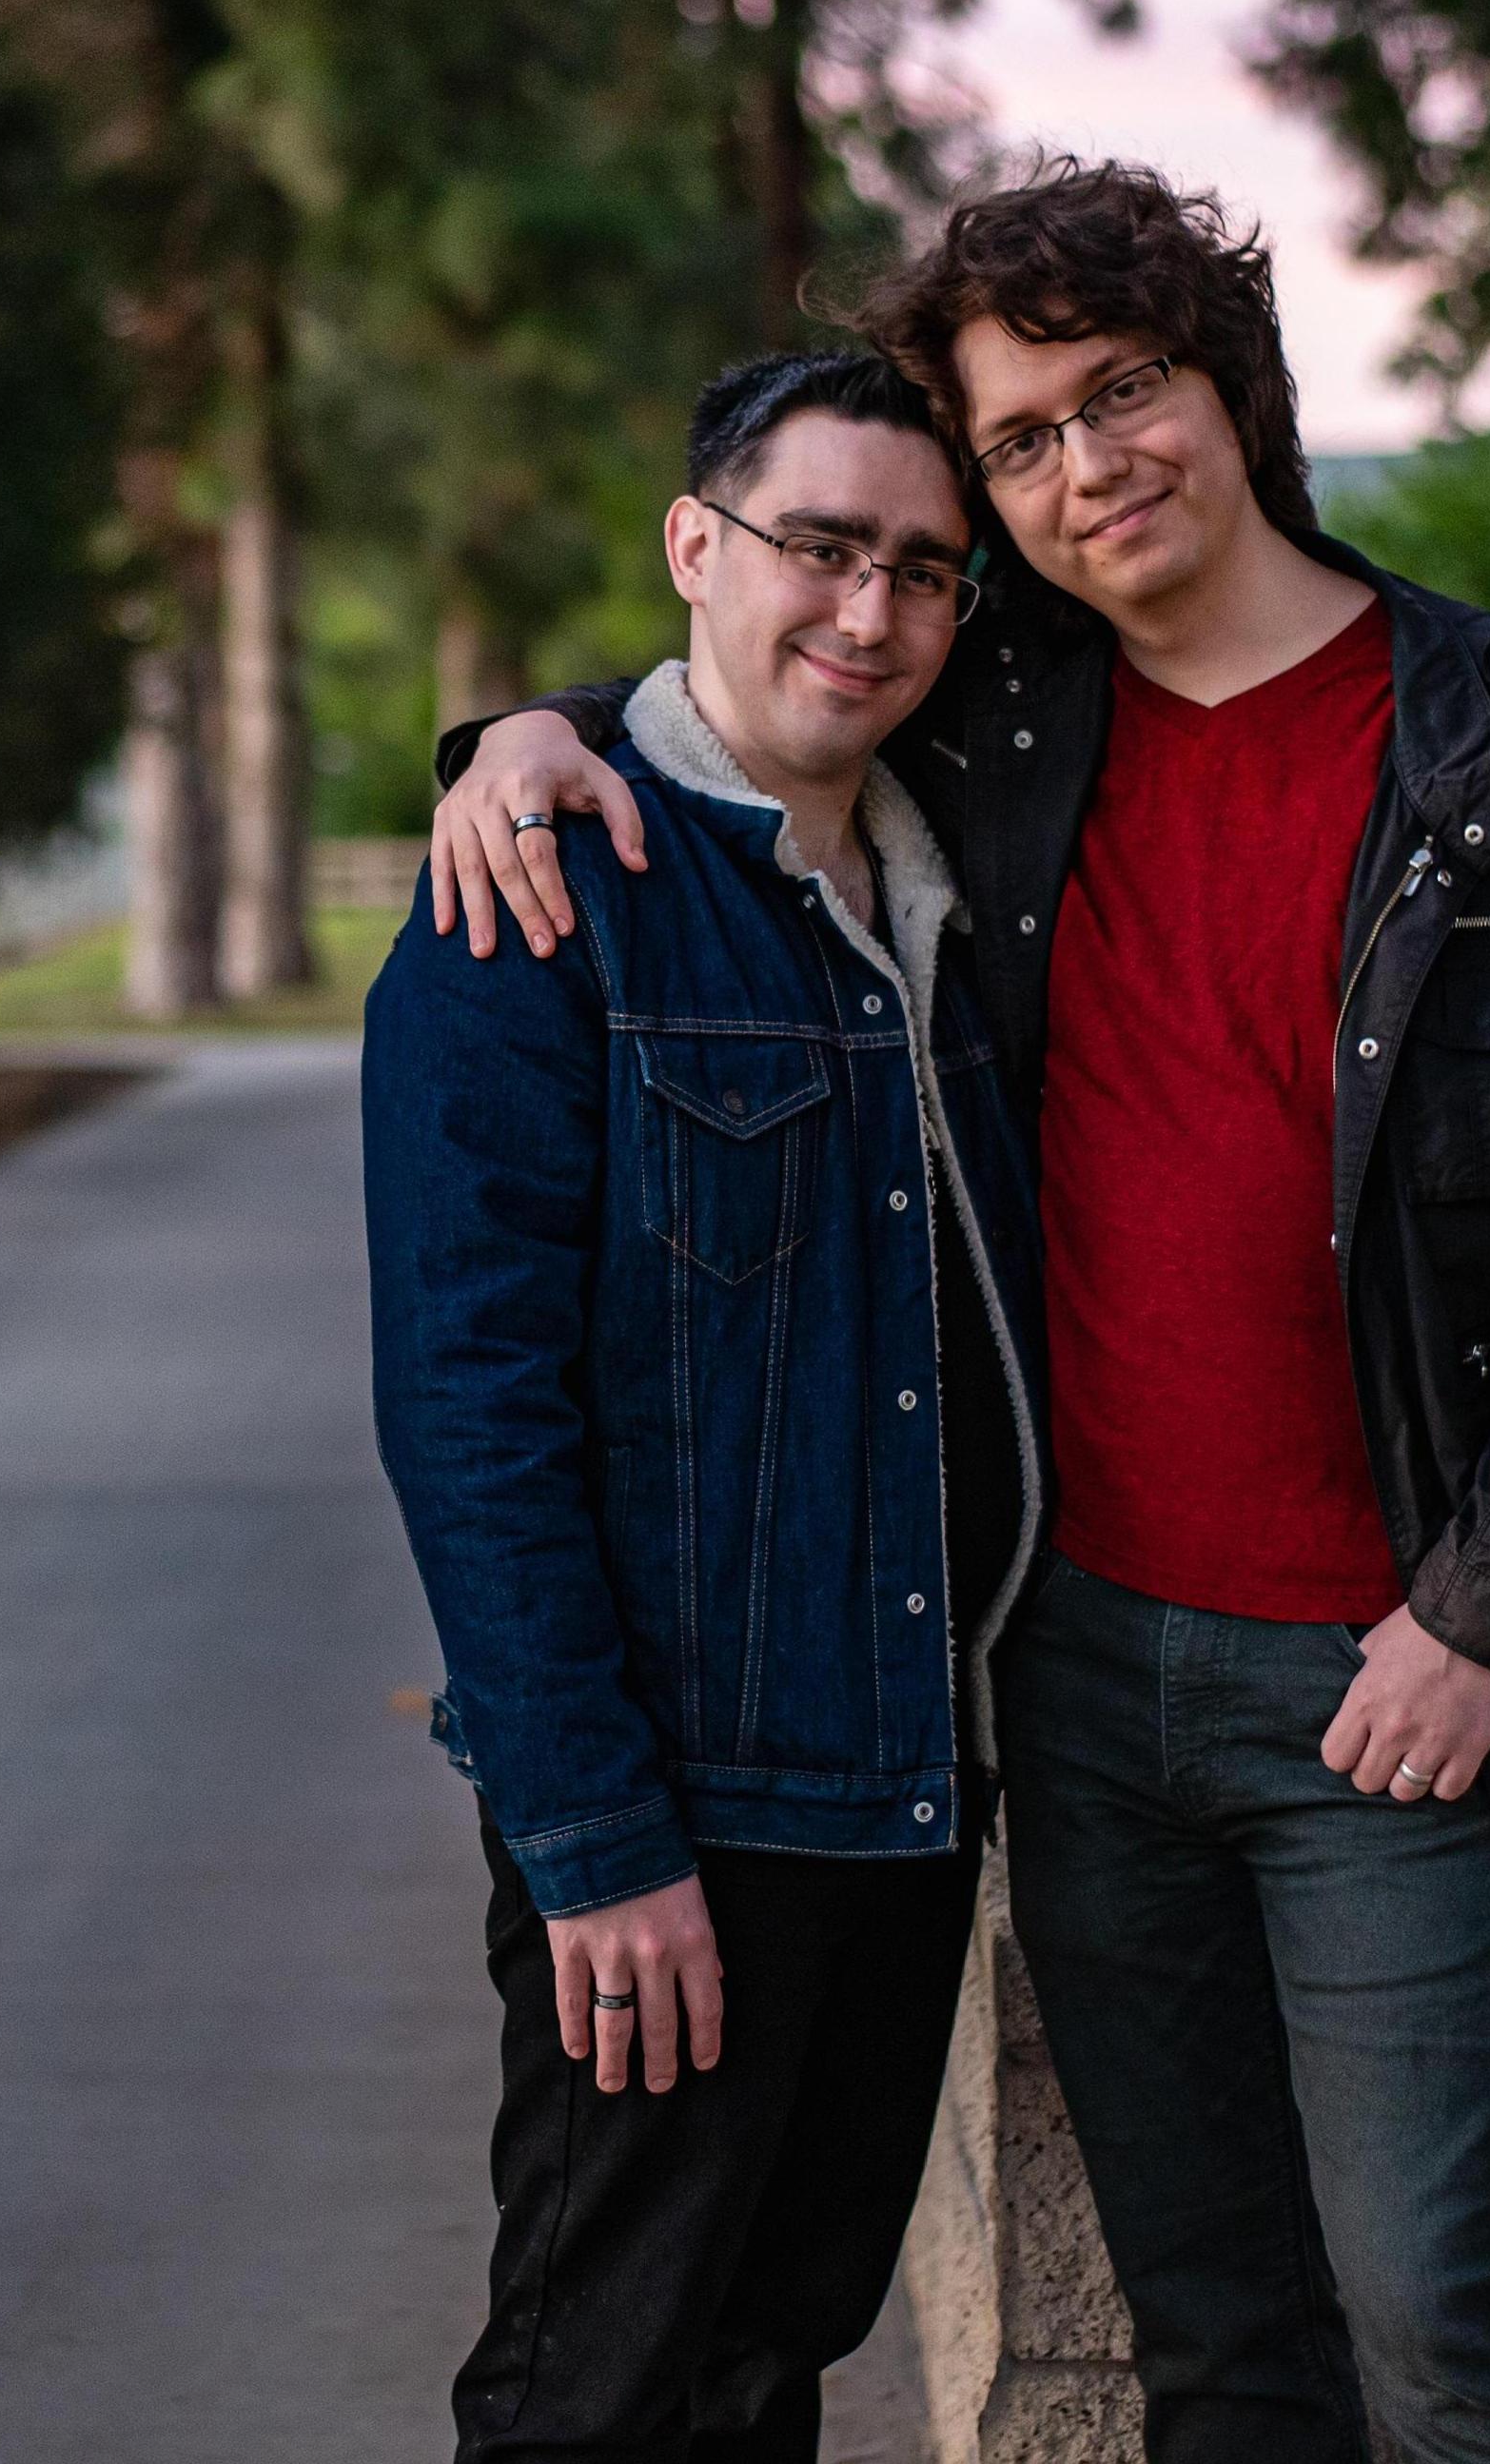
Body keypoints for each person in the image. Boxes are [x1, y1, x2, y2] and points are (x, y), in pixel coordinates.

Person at [427, 162, 1490, 2463]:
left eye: (1120, 390)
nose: (1084, 465)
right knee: (1212, 2332)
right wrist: (518, 741)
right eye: (1019, 441)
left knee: (1448, 2308)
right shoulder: (1003, 727)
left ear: (1228, 382)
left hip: (1401, 1674)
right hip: (1080, 1676)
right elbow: (755, 680)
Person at [363, 349, 1048, 2464]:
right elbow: (471, 1415)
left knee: (769, 2363)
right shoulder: (542, 898)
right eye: (819, 547)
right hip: (684, 1815)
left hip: (909, 1782)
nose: (870, 610)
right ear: (693, 545)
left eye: (923, 570)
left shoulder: (944, 896)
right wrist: (595, 1845)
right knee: (599, 2387)